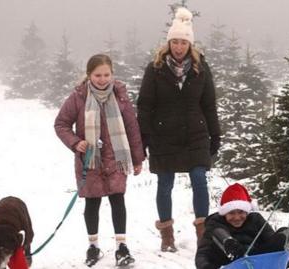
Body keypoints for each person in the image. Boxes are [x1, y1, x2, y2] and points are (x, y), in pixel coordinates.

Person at [137, 7, 221, 252]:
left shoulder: (200, 69)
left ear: (190, 44)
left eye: (183, 42)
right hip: (163, 135)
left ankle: (203, 234)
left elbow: (208, 104)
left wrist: (215, 134)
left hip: (195, 134)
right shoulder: (155, 69)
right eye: (175, 41)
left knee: (199, 179)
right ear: (168, 43)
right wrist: (144, 136)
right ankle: (167, 235)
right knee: (165, 184)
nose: (179, 47)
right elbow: (145, 105)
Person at [54, 54, 144, 267]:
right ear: (89, 75)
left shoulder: (120, 96)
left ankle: (121, 247)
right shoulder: (78, 97)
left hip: (116, 158)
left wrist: (138, 158)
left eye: (106, 74)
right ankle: (93, 246)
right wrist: (76, 143)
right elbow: (61, 124)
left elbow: (132, 127)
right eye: (97, 75)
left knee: (117, 200)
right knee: (92, 203)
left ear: (112, 74)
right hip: (90, 160)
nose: (102, 79)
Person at [195, 183, 289, 269]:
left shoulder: (256, 220)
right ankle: (229, 244)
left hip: (256, 262)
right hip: (227, 263)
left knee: (281, 235)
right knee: (219, 233)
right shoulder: (215, 222)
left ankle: (282, 243)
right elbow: (202, 255)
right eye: (231, 213)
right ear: (224, 213)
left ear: (247, 211)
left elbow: (270, 240)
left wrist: (282, 257)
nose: (237, 217)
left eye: (241, 212)